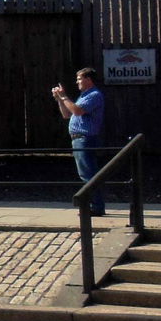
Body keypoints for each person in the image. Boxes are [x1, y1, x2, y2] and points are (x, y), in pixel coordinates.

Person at [52, 67, 105, 216]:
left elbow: (77, 111)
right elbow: (67, 114)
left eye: (80, 79)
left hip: (85, 139)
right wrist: (60, 100)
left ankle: (96, 206)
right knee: (85, 173)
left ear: (89, 79)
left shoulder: (94, 95)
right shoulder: (83, 95)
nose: (77, 82)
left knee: (88, 174)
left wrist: (64, 97)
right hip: (78, 139)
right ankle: (93, 204)